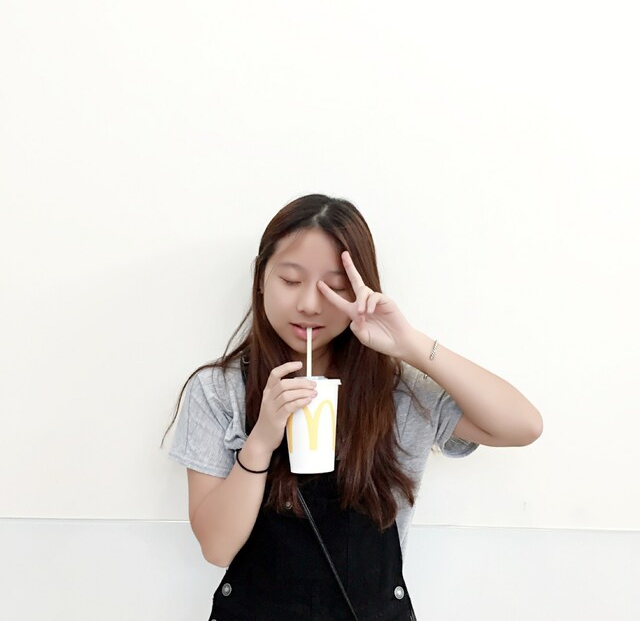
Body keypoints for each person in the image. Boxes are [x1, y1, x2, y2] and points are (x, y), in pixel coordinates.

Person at [162, 193, 543, 620]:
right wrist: (261, 440)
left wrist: (410, 344)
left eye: (336, 289)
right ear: (261, 278)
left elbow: (523, 425)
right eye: (290, 280)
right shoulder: (218, 391)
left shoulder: (397, 393)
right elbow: (216, 548)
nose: (309, 304)